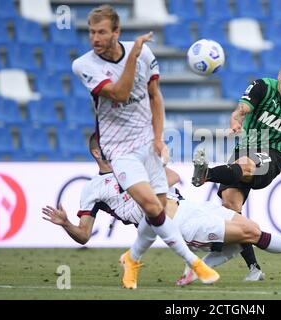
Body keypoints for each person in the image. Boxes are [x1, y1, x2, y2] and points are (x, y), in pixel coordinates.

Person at [42, 135, 281, 288]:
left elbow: (172, 178)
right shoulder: (93, 188)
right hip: (177, 223)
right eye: (110, 144)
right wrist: (66, 223)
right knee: (251, 232)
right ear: (98, 151)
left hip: (191, 205)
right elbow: (83, 235)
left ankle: (193, 272)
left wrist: (151, 166)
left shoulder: (134, 165)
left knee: (246, 229)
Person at [71, 5, 218, 288]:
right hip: (118, 149)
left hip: (146, 143)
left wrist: (159, 138)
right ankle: (195, 263)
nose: (94, 38)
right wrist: (133, 55)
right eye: (91, 32)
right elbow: (119, 93)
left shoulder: (144, 54)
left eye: (101, 32)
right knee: (152, 206)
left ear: (116, 32)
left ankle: (132, 258)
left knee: (157, 209)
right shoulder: (84, 65)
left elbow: (155, 96)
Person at [191, 59, 281, 281]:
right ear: (279, 75)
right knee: (230, 208)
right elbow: (242, 109)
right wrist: (236, 121)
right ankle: (254, 269)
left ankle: (205, 174)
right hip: (247, 146)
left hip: (273, 154)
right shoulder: (262, 87)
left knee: (246, 164)